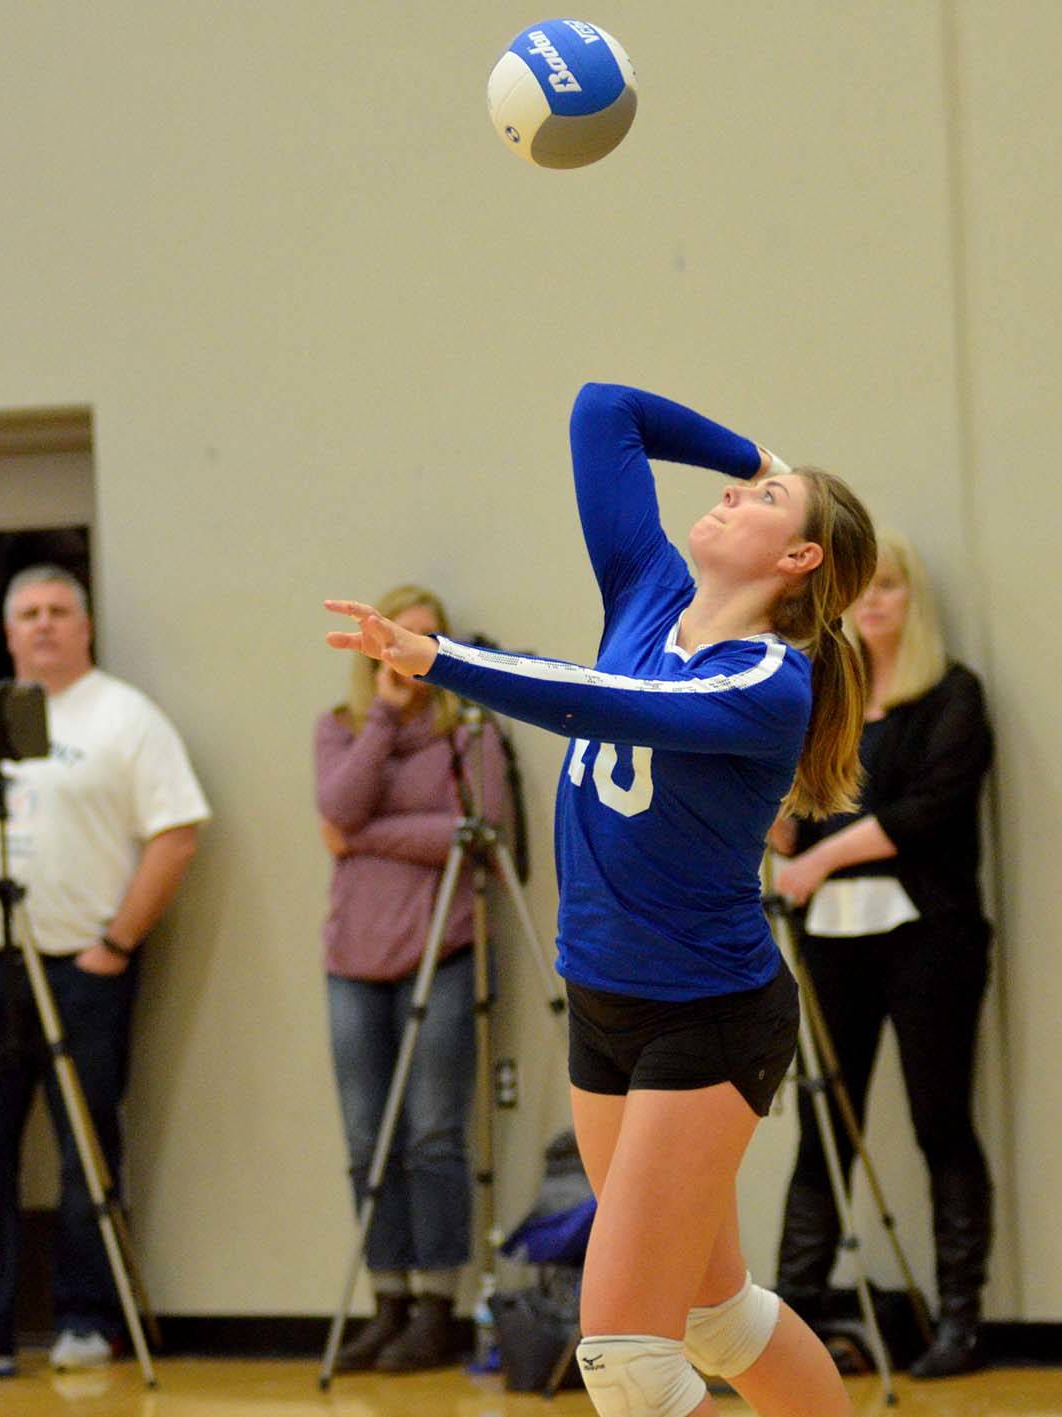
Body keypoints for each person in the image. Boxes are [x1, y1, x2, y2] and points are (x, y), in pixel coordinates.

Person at [325, 380, 877, 1417]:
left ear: (799, 561)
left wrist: (440, 658)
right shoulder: (647, 592)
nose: (731, 498)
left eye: (766, 503)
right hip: (604, 1002)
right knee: (717, 1317)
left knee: (624, 1360)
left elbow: (599, 700)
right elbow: (600, 410)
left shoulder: (770, 682)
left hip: (706, 1017)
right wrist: (753, 453)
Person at [0, 565, 210, 1381]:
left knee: (86, 1146)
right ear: (7, 633)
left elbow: (177, 831)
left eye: (57, 611)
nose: (42, 625)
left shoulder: (124, 717)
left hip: (81, 967)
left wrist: (118, 941)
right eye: (27, 614)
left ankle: (86, 1316)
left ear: (85, 624)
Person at [771, 529, 994, 1380]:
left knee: (941, 1122)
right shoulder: (823, 701)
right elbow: (797, 818)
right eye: (862, 588)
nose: (874, 602)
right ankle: (786, 1325)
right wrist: (777, 822)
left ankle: (962, 1325)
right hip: (831, 939)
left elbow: (926, 811)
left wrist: (820, 856)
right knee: (824, 1127)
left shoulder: (953, 695)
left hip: (929, 935)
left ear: (913, 598)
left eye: (889, 586)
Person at [316, 583, 506, 1372]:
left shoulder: (473, 734)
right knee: (368, 1141)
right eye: (395, 635)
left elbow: (479, 832)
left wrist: (364, 837)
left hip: (444, 950)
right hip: (352, 959)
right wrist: (387, 719)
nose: (408, 649)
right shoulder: (343, 729)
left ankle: (438, 1304)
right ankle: (386, 1300)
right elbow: (337, 805)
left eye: (425, 637)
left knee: (432, 1135)